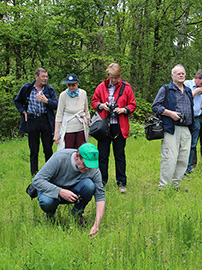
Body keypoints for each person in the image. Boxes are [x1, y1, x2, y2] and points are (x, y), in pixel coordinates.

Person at [32, 143, 105, 236]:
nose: (88, 168)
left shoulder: (92, 168)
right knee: (47, 201)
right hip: (54, 192)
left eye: (90, 166)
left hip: (74, 191)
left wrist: (96, 225)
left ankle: (76, 215)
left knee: (89, 185)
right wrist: (60, 191)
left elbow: (100, 195)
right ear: (77, 156)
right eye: (85, 164)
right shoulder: (60, 158)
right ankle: (50, 215)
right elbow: (37, 180)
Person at [91, 63, 137, 193]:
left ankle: (122, 182)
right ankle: (101, 182)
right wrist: (101, 106)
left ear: (119, 76)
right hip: (104, 126)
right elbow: (94, 101)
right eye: (111, 77)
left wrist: (123, 109)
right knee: (103, 156)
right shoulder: (101, 87)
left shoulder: (126, 88)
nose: (113, 80)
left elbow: (133, 105)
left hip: (120, 126)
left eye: (116, 77)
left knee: (120, 155)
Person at [152, 64, 194, 190]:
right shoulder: (166, 89)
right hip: (171, 128)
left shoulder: (187, 90)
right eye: (178, 73)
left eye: (183, 73)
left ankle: (176, 184)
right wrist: (170, 113)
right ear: (172, 76)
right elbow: (156, 107)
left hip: (186, 128)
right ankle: (164, 186)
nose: (181, 75)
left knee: (183, 157)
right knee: (170, 157)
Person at [14, 67, 58, 175]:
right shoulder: (27, 88)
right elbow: (17, 101)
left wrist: (46, 101)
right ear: (36, 77)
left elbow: (56, 105)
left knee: (48, 148)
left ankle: (49, 173)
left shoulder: (49, 89)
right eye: (43, 76)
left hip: (45, 120)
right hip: (32, 120)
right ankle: (34, 173)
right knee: (34, 149)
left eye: (46, 76)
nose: (45, 79)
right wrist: (23, 112)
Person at [184, 69, 202, 174]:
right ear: (197, 78)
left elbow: (197, 105)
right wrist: (197, 91)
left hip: (196, 119)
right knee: (184, 143)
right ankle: (181, 166)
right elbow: (185, 99)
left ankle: (189, 167)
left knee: (193, 144)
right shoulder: (187, 84)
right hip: (186, 119)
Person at [53, 74, 90, 150]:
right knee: (68, 151)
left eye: (73, 85)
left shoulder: (83, 93)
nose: (71, 87)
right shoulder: (63, 95)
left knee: (80, 151)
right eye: (69, 85)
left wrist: (90, 126)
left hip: (81, 128)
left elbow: (86, 111)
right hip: (68, 129)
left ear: (77, 83)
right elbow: (59, 114)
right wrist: (56, 132)